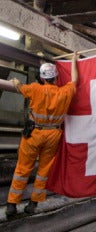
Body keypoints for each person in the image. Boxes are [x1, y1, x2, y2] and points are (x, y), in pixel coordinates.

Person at [6, 52, 78, 218]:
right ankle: (33, 204)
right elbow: (75, 80)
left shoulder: (35, 89)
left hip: (34, 134)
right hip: (53, 134)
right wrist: (74, 59)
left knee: (23, 168)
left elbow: (19, 87)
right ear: (56, 78)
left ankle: (11, 205)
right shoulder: (65, 92)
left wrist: (16, 82)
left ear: (42, 78)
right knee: (44, 169)